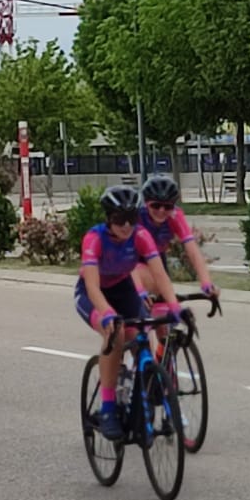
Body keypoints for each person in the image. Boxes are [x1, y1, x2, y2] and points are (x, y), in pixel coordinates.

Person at [77, 185, 182, 440]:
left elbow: (160, 275)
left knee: (141, 337)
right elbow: (91, 285)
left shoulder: (141, 236)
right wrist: (107, 314)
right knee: (116, 333)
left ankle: (137, 394)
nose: (126, 226)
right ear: (108, 220)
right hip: (94, 295)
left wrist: (176, 308)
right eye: (119, 220)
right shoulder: (94, 239)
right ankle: (109, 408)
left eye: (132, 219)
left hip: (123, 289)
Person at [137, 173, 217, 342]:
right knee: (138, 323)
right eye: (155, 205)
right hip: (133, 262)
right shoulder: (137, 217)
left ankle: (163, 364)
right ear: (146, 204)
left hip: (158, 259)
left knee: (164, 326)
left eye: (167, 207)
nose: (161, 211)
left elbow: (193, 250)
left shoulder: (175, 216)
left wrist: (206, 283)